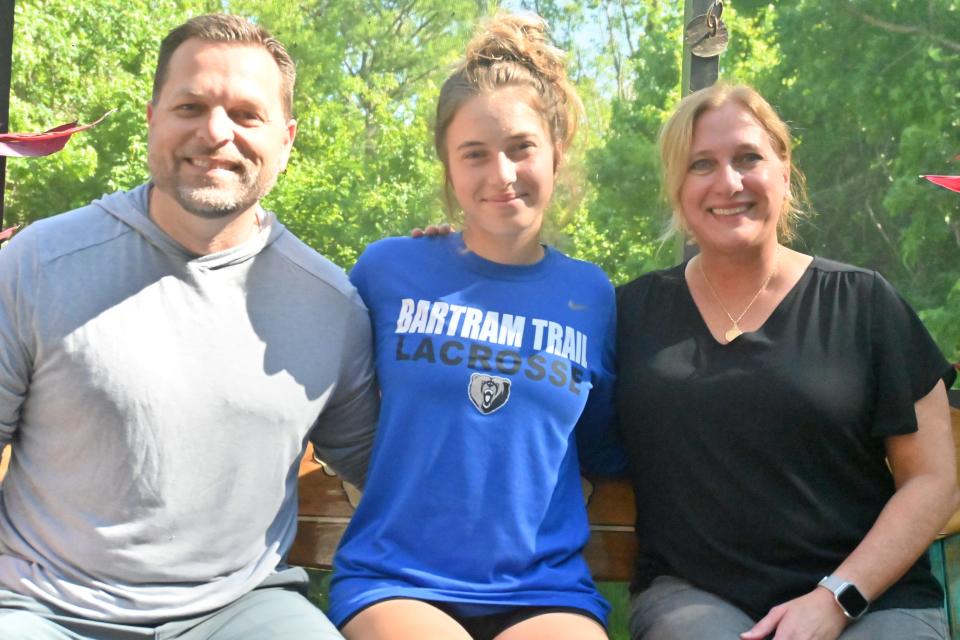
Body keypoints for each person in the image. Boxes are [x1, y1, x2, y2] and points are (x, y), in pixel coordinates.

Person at [0, 14, 378, 640]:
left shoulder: (330, 305)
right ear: (152, 118)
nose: (216, 133)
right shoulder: (36, 264)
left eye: (246, 115)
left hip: (240, 610)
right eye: (191, 105)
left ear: (287, 139)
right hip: (42, 610)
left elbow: (383, 471)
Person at [616, 83, 958, 640]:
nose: (729, 182)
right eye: (702, 164)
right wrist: (444, 259)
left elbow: (934, 479)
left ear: (783, 166)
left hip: (872, 599)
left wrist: (835, 597)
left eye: (748, 157)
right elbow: (531, 347)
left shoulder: (864, 303)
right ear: (677, 187)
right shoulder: (629, 313)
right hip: (697, 599)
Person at [328, 13, 619, 640]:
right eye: (475, 155)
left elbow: (603, 437)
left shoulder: (591, 294)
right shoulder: (389, 270)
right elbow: (331, 400)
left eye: (521, 148)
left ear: (555, 153)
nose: (502, 174)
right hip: (397, 579)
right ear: (448, 167)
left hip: (545, 589)